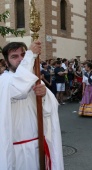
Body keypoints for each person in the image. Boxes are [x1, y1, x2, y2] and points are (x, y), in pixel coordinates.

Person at [0, 41, 64, 170]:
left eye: (23, 55)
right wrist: (30, 55)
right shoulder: (4, 81)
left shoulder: (34, 80)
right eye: (14, 56)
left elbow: (49, 111)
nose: (20, 59)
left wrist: (45, 95)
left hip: (38, 144)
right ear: (6, 63)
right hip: (17, 151)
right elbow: (19, 88)